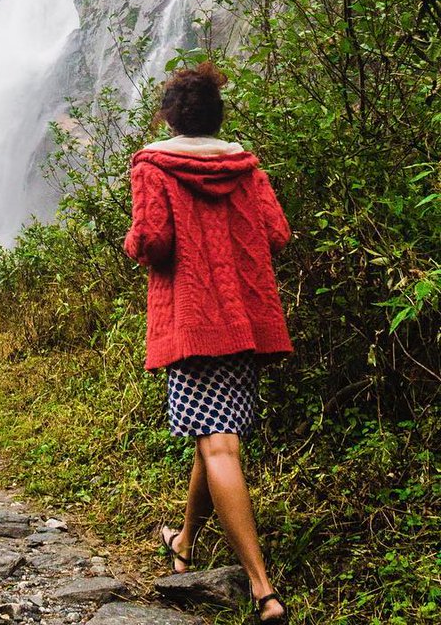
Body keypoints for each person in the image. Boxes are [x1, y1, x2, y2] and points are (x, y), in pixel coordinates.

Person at [123, 62, 292, 624]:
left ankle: (262, 588)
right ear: (218, 116)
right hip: (243, 322)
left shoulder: (153, 166)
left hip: (192, 322)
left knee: (219, 445)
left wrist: (131, 241)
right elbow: (277, 233)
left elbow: (153, 241)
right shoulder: (245, 167)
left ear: (170, 118)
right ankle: (185, 542)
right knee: (213, 434)